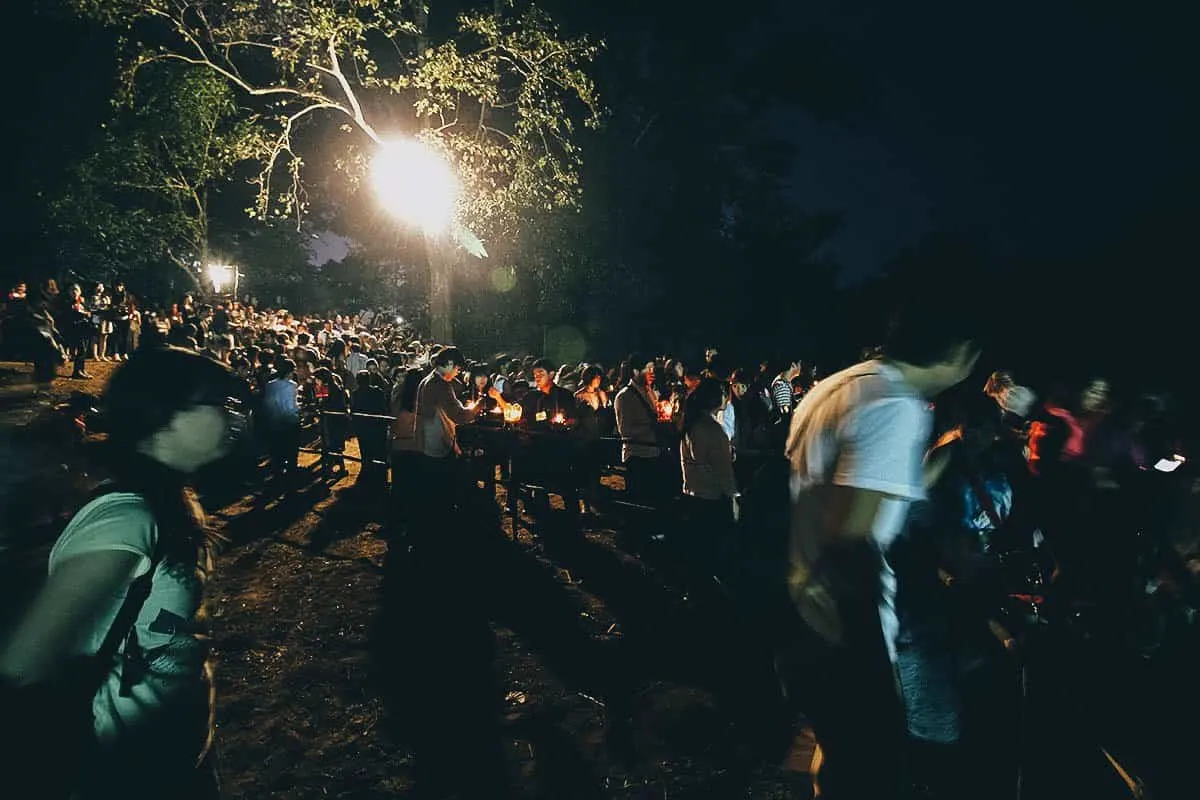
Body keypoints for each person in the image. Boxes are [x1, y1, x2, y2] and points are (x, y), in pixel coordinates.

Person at [0, 347, 246, 799]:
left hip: (176, 758)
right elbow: (24, 663)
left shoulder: (172, 497)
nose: (230, 416)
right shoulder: (127, 517)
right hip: (125, 775)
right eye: (215, 403)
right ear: (167, 415)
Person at [781, 297, 979, 799]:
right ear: (959, 354)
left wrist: (944, 455)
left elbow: (857, 489)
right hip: (847, 623)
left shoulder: (838, 387)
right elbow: (854, 540)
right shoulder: (895, 406)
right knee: (869, 773)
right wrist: (877, 669)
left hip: (803, 604)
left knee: (837, 760)